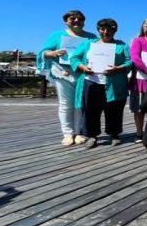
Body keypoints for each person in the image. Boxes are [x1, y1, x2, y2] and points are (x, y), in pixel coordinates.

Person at [37, 10, 97, 145]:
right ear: (66, 21)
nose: (76, 21)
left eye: (80, 19)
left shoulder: (91, 37)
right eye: (72, 18)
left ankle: (79, 132)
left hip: (83, 74)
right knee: (66, 104)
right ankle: (67, 133)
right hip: (64, 73)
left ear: (84, 21)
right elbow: (43, 52)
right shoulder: (57, 35)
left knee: (80, 104)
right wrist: (52, 53)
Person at [70, 18, 132, 148]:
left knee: (114, 109)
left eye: (110, 29)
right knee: (91, 110)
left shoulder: (122, 45)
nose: (106, 32)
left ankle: (114, 134)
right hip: (91, 82)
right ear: (98, 30)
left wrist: (118, 68)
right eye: (103, 29)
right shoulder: (88, 44)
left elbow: (129, 62)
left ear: (115, 30)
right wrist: (83, 67)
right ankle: (92, 136)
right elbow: (74, 58)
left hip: (114, 84)